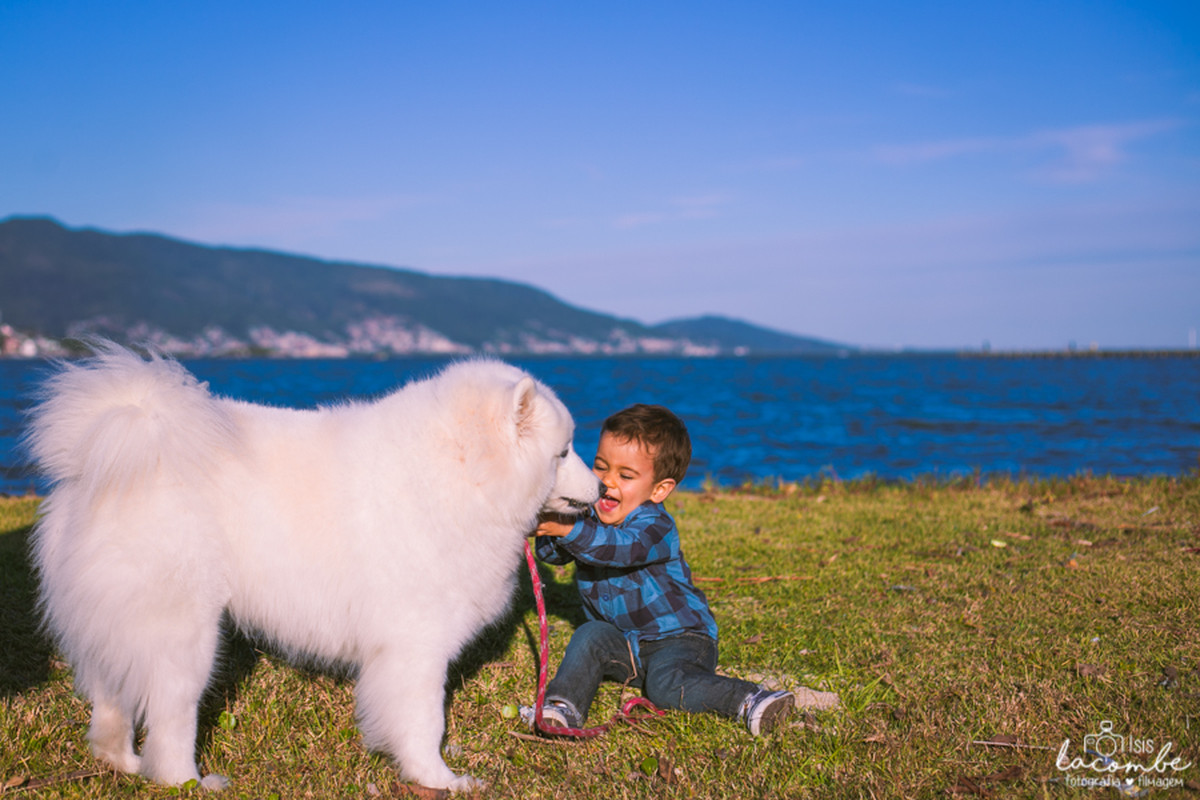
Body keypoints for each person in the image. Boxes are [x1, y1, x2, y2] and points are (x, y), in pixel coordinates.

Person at [531, 403, 823, 736]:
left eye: (626, 476)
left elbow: (618, 548)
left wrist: (569, 531)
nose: (608, 481)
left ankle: (749, 700)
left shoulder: (655, 525)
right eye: (600, 467)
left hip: (680, 638)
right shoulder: (589, 516)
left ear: (659, 489)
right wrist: (551, 525)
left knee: (665, 687)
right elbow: (555, 556)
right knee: (589, 635)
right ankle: (563, 706)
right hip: (627, 643)